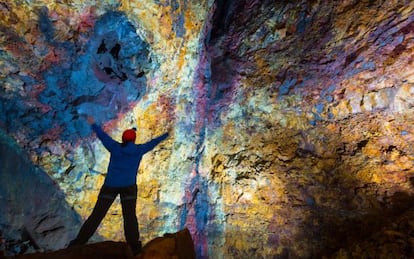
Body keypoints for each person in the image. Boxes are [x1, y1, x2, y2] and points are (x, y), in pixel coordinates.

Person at [68, 116, 169, 255]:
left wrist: (93, 123)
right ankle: (134, 247)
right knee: (129, 217)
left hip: (111, 185)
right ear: (134, 140)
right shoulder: (139, 150)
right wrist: (166, 134)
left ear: (123, 139)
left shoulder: (115, 147)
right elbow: (153, 143)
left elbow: (102, 136)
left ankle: (79, 242)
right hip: (129, 187)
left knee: (97, 215)